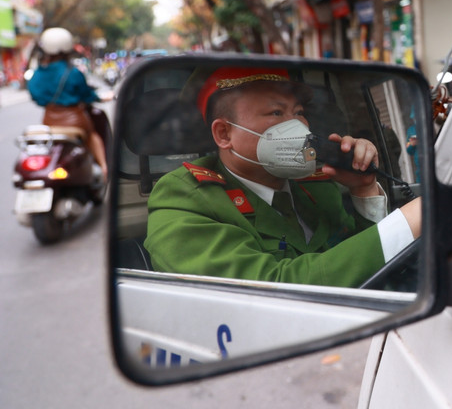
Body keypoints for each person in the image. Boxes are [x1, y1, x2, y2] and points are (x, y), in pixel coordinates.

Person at [143, 67, 422, 288]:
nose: (297, 125)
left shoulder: (317, 187)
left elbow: (366, 266)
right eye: (276, 113)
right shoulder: (183, 198)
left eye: (298, 113)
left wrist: (364, 189)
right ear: (224, 134)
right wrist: (408, 221)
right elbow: (273, 289)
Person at [27, 27, 109, 178]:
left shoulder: (37, 74)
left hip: (49, 122)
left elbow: (36, 97)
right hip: (76, 121)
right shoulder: (73, 72)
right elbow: (87, 95)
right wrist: (98, 97)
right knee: (93, 136)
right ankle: (105, 169)